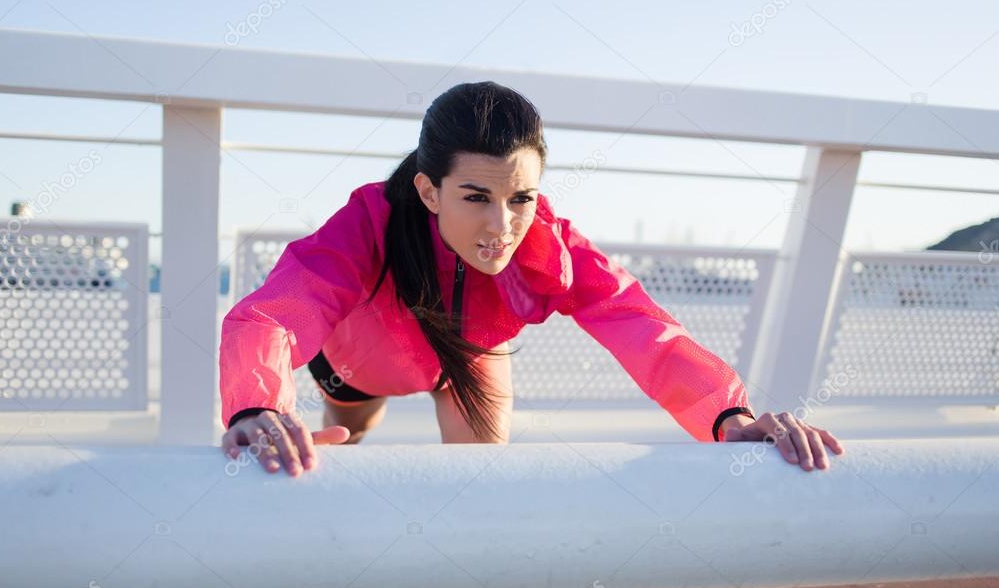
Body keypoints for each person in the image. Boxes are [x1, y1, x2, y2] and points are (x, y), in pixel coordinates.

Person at [219, 81, 844, 478]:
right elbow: (274, 313)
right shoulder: (369, 223)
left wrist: (729, 417)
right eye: (475, 197)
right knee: (343, 440)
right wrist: (257, 405)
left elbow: (642, 327)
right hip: (363, 364)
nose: (501, 226)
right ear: (429, 191)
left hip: (469, 359)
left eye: (520, 197)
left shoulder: (550, 245)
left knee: (480, 483)